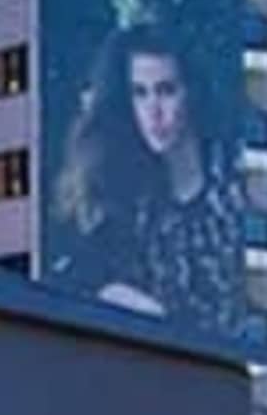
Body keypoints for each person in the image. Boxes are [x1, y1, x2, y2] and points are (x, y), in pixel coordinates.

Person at [50, 21, 244, 334]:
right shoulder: (135, 206)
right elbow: (73, 282)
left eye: (166, 91)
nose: (153, 111)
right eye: (140, 94)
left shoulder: (237, 180)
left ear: (191, 93)